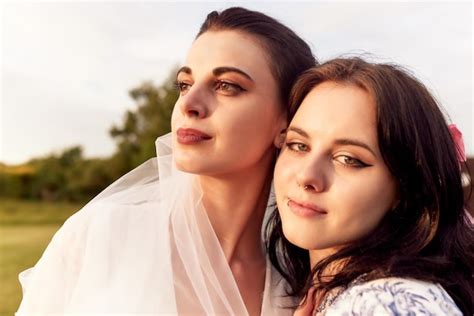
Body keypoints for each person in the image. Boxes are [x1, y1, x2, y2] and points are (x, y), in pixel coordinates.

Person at [17, 7, 316, 315]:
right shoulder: (101, 234)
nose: (188, 104)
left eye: (227, 85)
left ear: (287, 122)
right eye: (184, 85)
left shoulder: (296, 290)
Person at [267, 58, 473, 315]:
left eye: (348, 159)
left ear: (405, 187)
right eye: (298, 145)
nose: (307, 176)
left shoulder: (387, 303)